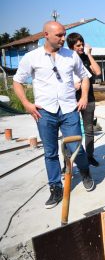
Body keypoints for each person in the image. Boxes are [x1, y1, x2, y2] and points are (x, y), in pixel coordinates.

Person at [13, 21, 95, 209]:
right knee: (50, 152)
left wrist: (83, 97)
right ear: (46, 35)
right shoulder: (31, 57)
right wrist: (26, 104)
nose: (63, 38)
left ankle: (85, 172)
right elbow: (17, 82)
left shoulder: (71, 55)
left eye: (64, 34)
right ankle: (55, 188)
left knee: (76, 147)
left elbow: (85, 76)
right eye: (59, 35)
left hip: (68, 110)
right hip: (45, 112)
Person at [66, 33, 101, 166]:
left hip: (89, 99)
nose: (81, 47)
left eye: (82, 44)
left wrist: (89, 54)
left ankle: (89, 156)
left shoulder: (86, 58)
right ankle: (68, 160)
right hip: (71, 100)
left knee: (89, 130)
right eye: (78, 45)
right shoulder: (66, 59)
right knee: (70, 132)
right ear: (71, 47)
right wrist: (73, 86)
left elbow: (97, 72)